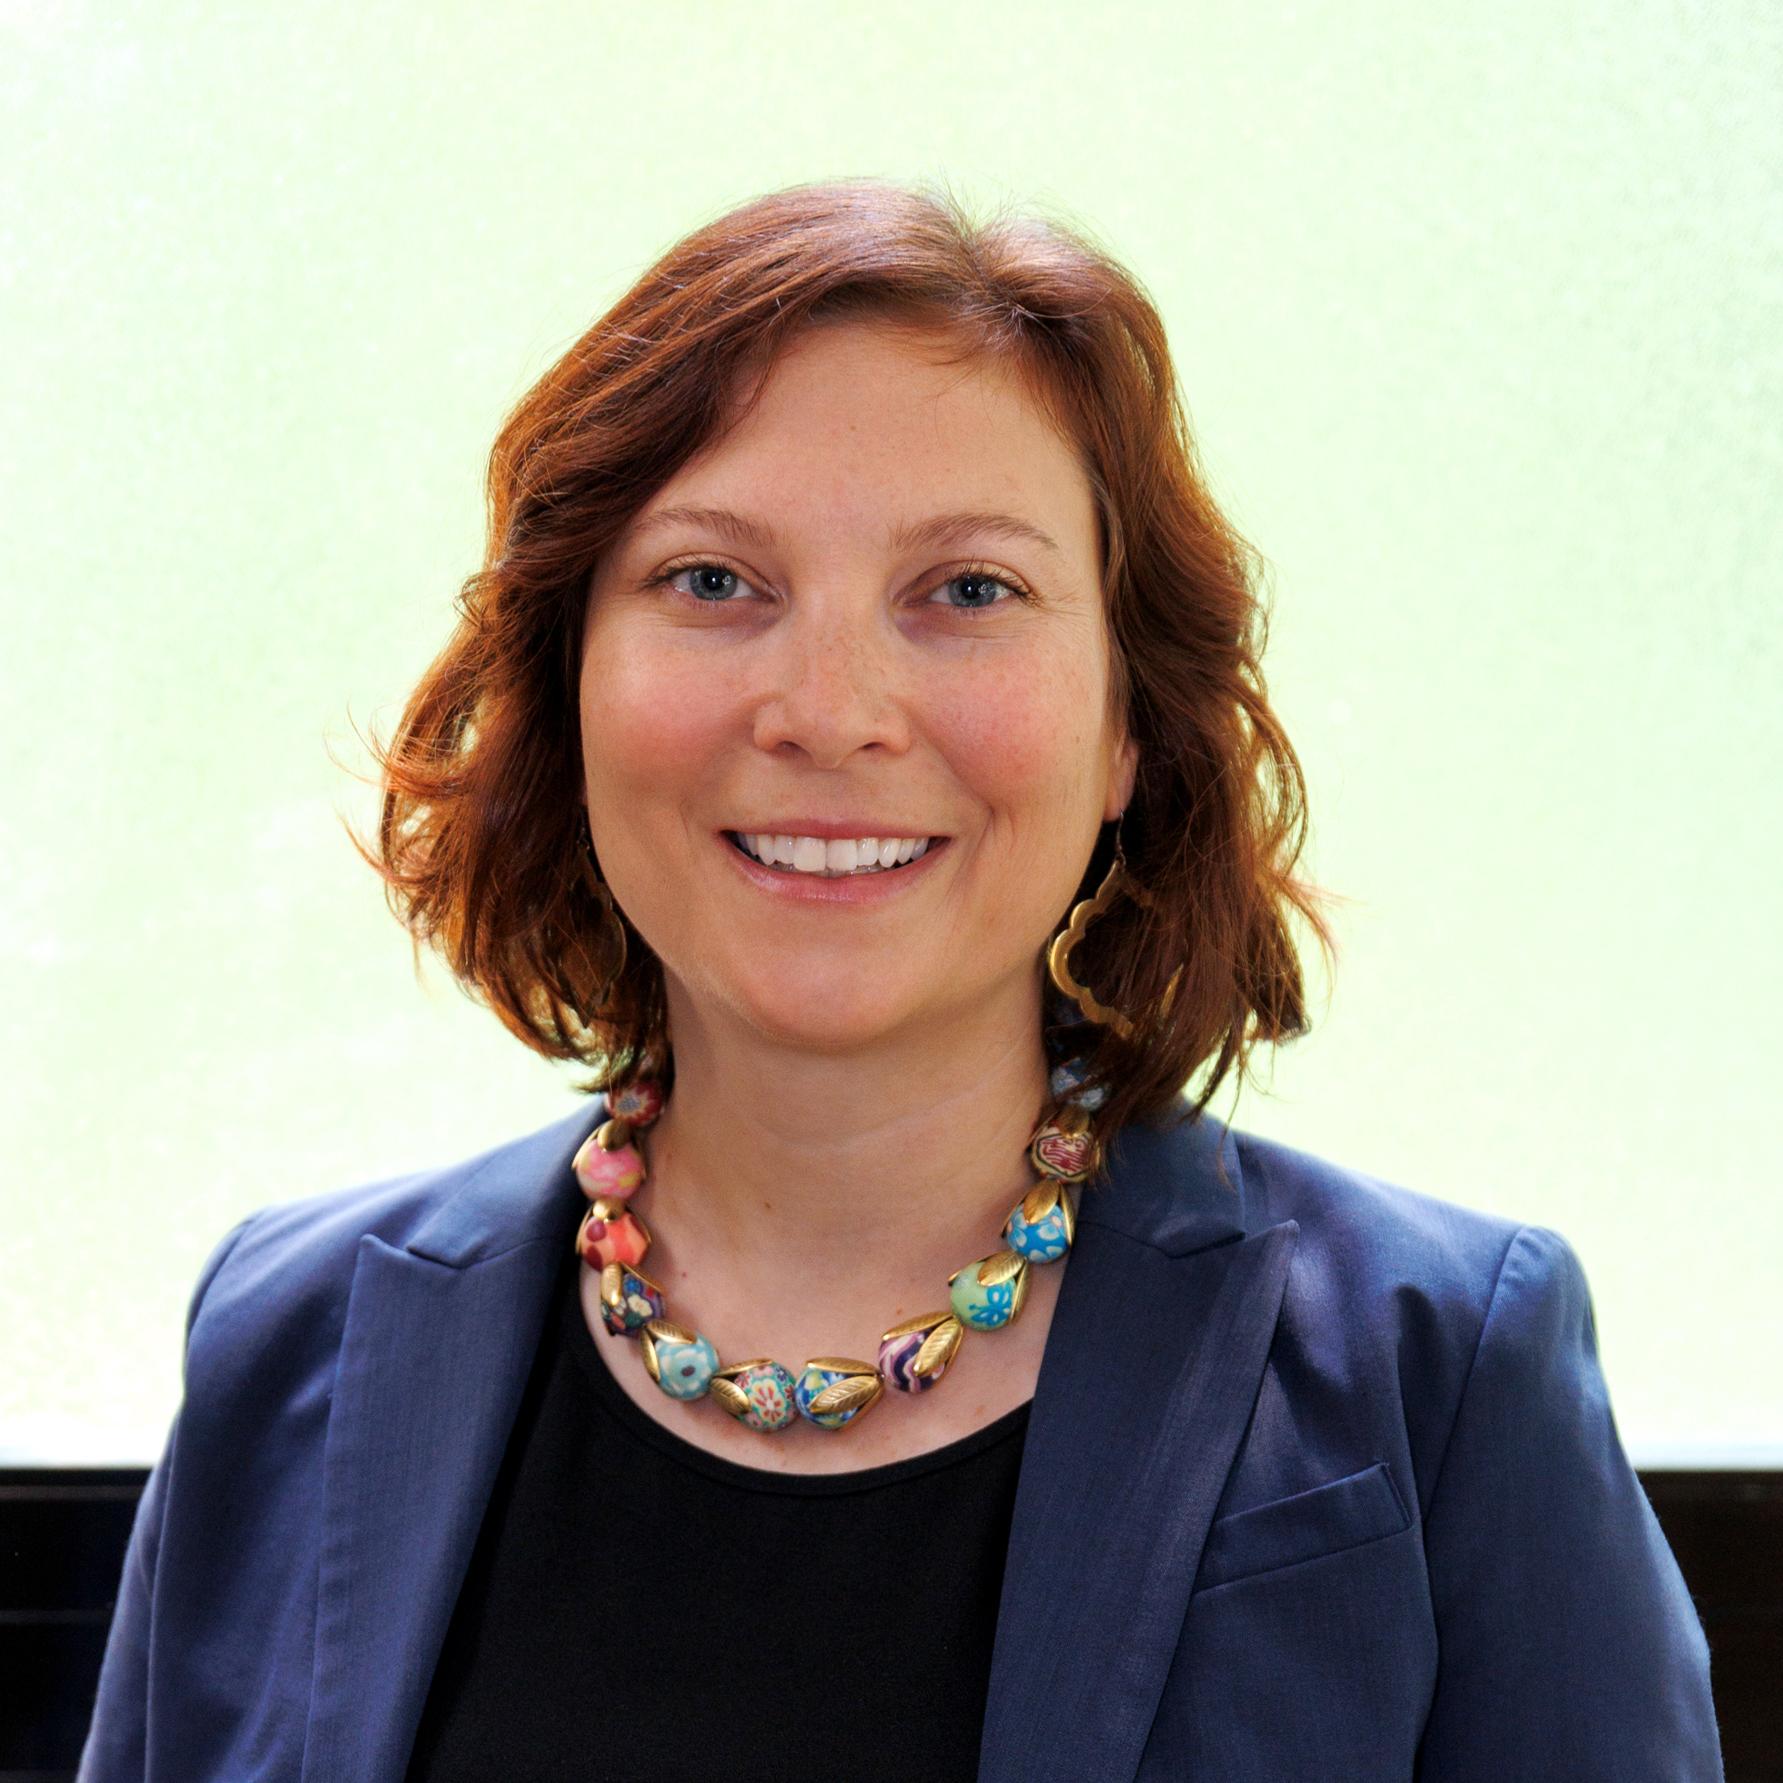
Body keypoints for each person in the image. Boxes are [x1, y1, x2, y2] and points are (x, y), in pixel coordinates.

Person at [81, 182, 1720, 1783]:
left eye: (969, 592)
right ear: (565, 681)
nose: (830, 710)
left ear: (1131, 726)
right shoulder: (286, 1339)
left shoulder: (1444, 1376)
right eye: (714, 581)